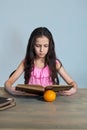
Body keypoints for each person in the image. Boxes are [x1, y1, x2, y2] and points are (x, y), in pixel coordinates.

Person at [4, 27, 77, 96]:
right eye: (38, 46)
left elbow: (72, 83)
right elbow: (8, 82)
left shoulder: (55, 63)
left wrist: (73, 89)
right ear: (32, 45)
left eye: (45, 46)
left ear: (50, 46)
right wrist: (11, 90)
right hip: (30, 102)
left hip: (50, 102)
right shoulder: (26, 62)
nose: (42, 50)